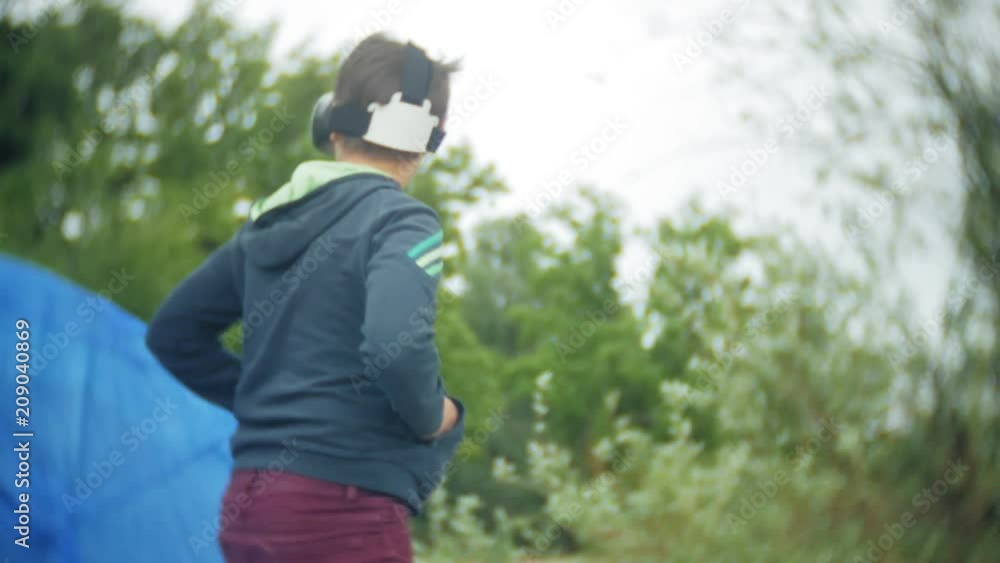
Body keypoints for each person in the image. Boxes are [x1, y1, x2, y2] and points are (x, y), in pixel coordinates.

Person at [146, 34, 465, 563]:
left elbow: (173, 334)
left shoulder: (265, 224)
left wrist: (268, 405)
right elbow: (395, 343)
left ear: (329, 121)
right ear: (427, 137)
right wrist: (435, 416)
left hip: (251, 504)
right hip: (343, 513)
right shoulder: (401, 220)